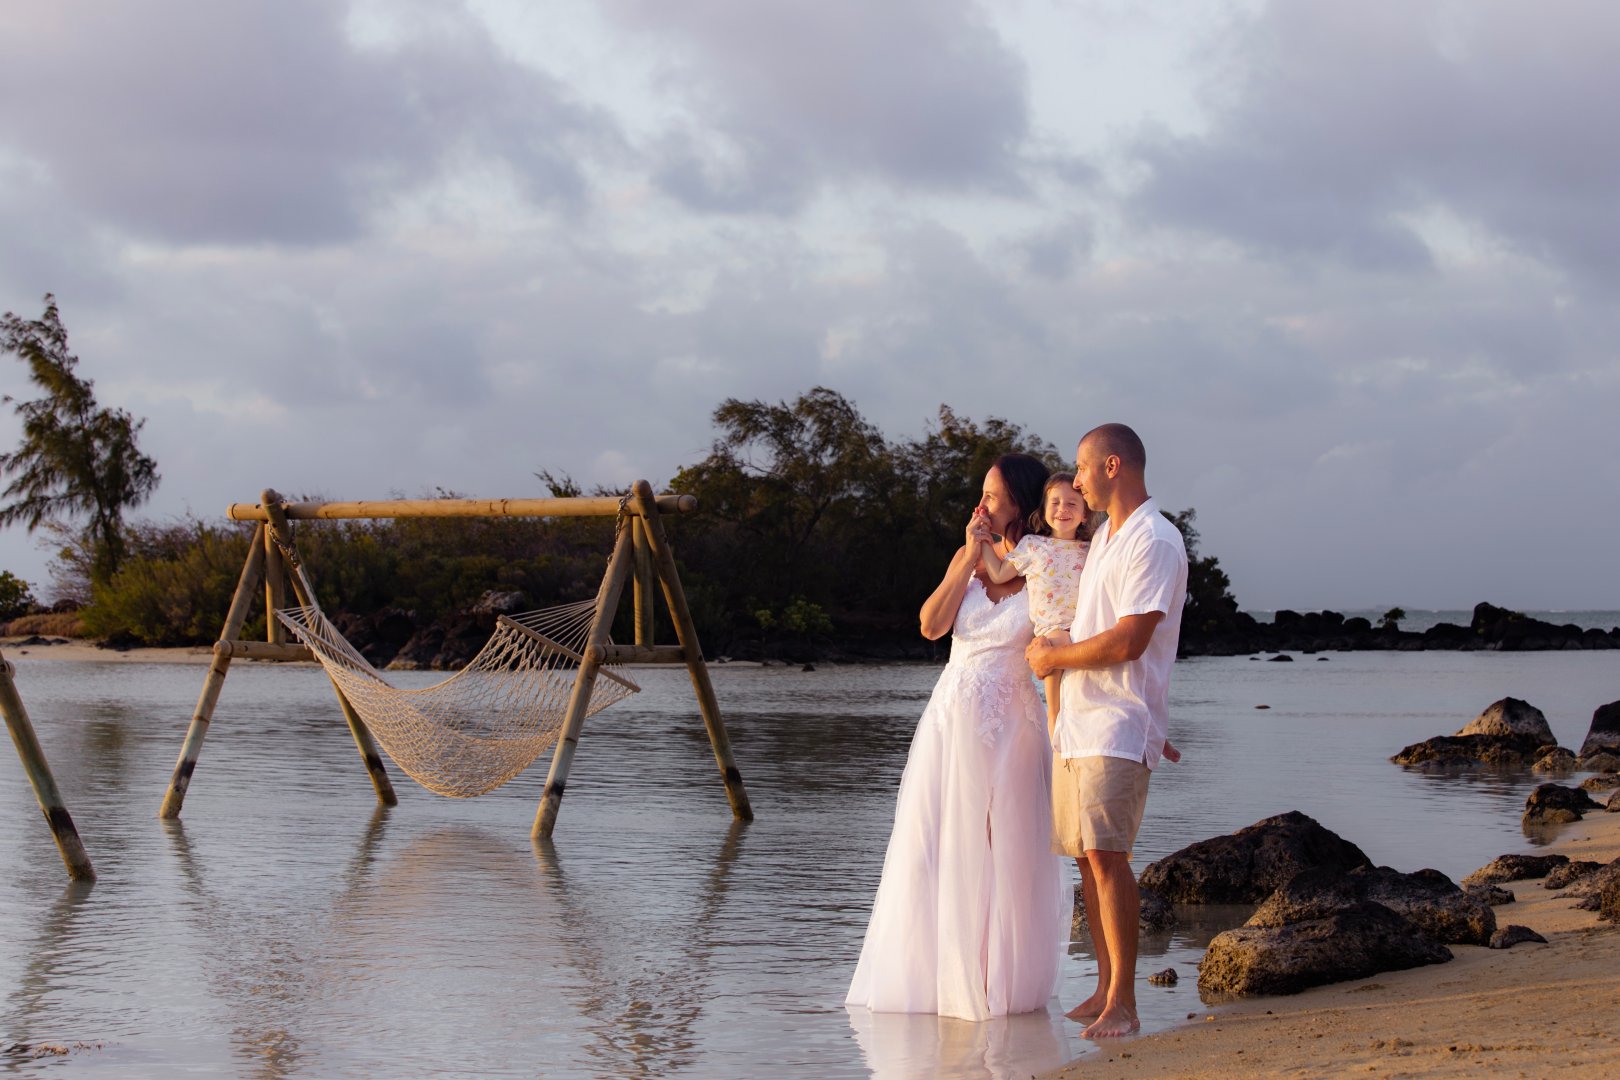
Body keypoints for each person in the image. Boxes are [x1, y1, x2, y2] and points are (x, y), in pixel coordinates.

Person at [846, 453, 1067, 1022]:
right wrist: (969, 556)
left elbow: (1055, 646)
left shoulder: (1045, 565)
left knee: (1004, 850)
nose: (981, 505)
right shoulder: (969, 559)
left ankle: (998, 983)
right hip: (950, 721)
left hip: (1012, 724)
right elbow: (930, 625)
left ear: (1020, 502)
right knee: (934, 843)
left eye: (992, 496)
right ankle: (938, 978)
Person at [1026, 423, 1187, 1040]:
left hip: (1117, 723)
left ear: (1112, 466)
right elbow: (1091, 624)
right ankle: (1102, 986)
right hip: (1079, 721)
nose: (1077, 481)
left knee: (1107, 857)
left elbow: (1129, 640)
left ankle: (1125, 1001)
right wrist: (1054, 655)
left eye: (1083, 468)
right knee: (1086, 861)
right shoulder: (1103, 541)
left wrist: (1053, 659)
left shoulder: (1154, 539)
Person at [978, 473, 1182, 763]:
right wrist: (984, 540)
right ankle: (1060, 754)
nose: (1063, 509)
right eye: (1055, 503)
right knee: (1056, 708)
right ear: (1043, 511)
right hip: (1051, 634)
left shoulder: (1093, 548)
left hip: (1085, 633)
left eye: (1072, 503)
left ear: (1085, 514)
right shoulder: (1033, 546)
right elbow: (998, 573)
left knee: (1095, 695)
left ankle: (1146, 730)